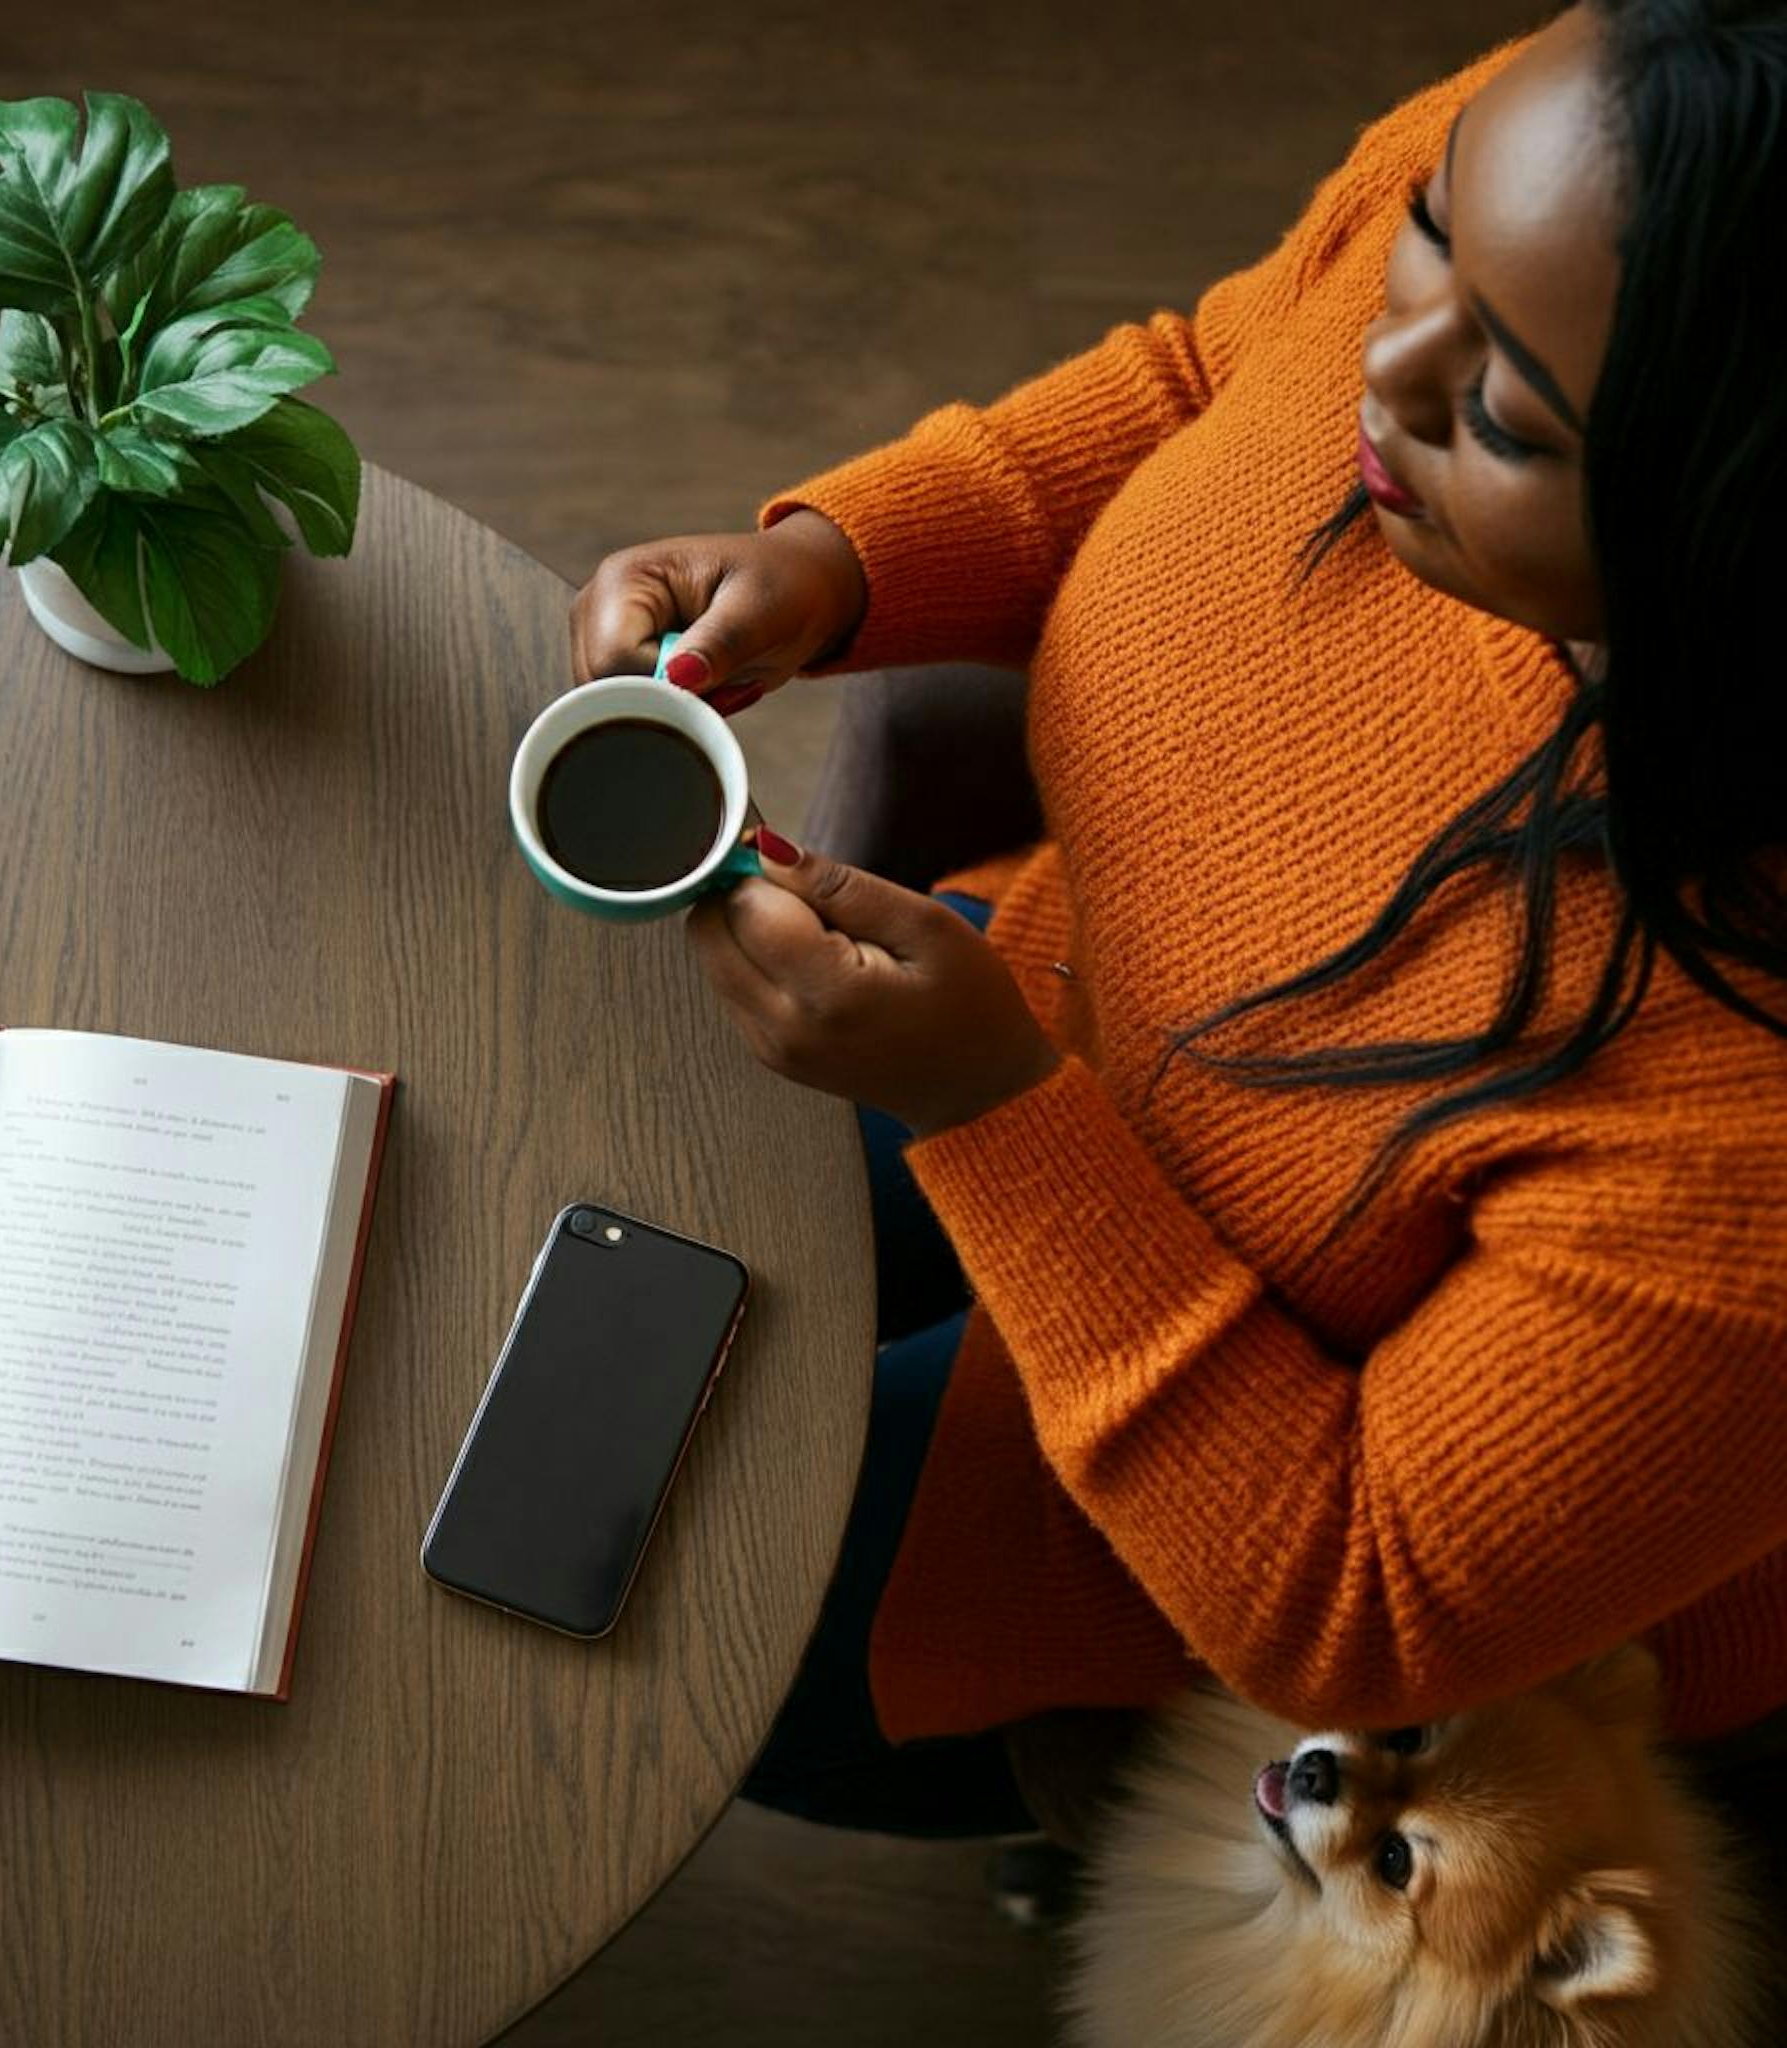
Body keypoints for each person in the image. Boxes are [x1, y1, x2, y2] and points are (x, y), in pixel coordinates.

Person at [570, 0, 1787, 1842]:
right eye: (1427, 237)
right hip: (1055, 1004)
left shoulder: (1750, 1145)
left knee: (681, 1598)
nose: (1393, 367)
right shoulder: (1602, 150)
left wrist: (999, 1118)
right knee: (573, 1285)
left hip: (1266, 1463)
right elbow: (1222, 375)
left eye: (1508, 417)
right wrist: (851, 558)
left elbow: (1359, 1600)